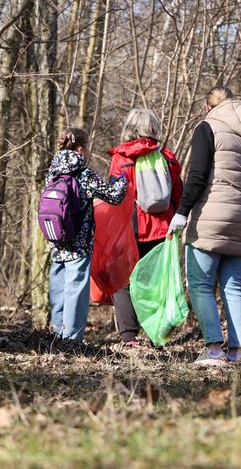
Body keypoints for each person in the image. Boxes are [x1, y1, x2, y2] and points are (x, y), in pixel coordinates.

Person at [168, 87, 241, 366]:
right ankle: (237, 351)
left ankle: (213, 349)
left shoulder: (206, 127)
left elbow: (197, 175)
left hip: (210, 218)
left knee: (199, 284)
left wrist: (182, 212)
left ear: (207, 106)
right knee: (232, 285)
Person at [106, 108, 183, 346]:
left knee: (123, 281)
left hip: (130, 229)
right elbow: (179, 194)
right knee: (156, 282)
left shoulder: (121, 158)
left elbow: (113, 199)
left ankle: (129, 337)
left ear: (129, 128)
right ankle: (156, 334)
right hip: (162, 228)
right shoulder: (168, 157)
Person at [45, 127, 128, 343]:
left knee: (59, 292)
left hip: (57, 242)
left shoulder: (53, 172)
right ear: (81, 150)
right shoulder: (84, 174)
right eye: (88, 147)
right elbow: (114, 197)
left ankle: (56, 337)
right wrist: (123, 178)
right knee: (76, 293)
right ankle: (71, 341)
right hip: (79, 243)